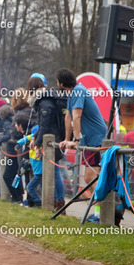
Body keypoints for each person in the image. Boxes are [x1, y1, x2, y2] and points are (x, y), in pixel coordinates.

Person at [57, 68, 107, 221]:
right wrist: (66, 139)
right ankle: (99, 213)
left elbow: (77, 116)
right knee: (88, 178)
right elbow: (68, 117)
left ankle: (101, 214)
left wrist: (76, 140)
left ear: (61, 83)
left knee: (91, 177)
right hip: (88, 139)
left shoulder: (79, 91)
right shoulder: (72, 93)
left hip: (96, 138)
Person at [29, 76, 67, 213]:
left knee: (55, 173)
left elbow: (45, 126)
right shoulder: (46, 100)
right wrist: (35, 137)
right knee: (54, 172)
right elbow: (42, 126)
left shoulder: (45, 103)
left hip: (53, 140)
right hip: (52, 138)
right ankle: (57, 202)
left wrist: (37, 144)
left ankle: (60, 203)